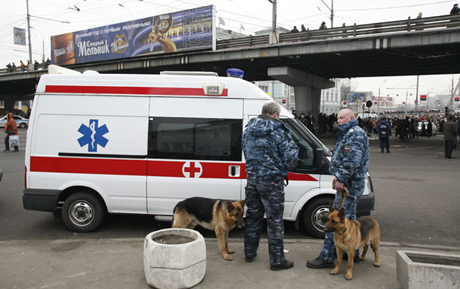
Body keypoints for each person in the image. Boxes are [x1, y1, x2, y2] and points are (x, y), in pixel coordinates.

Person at [307, 108, 369, 269]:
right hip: (350, 182)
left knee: (336, 221)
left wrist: (341, 178)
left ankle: (327, 257)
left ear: (352, 118)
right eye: (338, 118)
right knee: (350, 219)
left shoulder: (354, 134)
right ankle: (353, 252)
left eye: (342, 118)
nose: (339, 120)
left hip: (349, 185)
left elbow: (351, 161)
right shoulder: (350, 133)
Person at [242, 101, 299, 271]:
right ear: (275, 114)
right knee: (274, 221)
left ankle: (249, 252)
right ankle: (277, 260)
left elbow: (246, 152)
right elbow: (292, 161)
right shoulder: (279, 132)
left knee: (253, 217)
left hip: (252, 179)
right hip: (272, 182)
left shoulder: (248, 130)